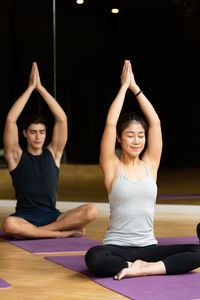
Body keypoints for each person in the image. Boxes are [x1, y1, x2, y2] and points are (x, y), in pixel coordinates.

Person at [85, 60, 200, 279]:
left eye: (140, 135)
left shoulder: (151, 164)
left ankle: (143, 268)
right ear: (119, 138)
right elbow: (110, 123)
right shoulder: (111, 166)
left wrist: (135, 88)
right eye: (130, 135)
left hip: (148, 247)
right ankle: (134, 264)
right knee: (95, 257)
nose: (136, 141)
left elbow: (155, 123)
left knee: (198, 252)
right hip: (116, 246)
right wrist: (122, 88)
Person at [2, 62, 98, 239]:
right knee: (9, 224)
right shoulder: (15, 155)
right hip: (25, 217)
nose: (38, 137)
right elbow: (10, 120)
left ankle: (42, 233)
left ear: (46, 134)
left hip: (53, 215)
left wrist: (41, 88)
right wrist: (30, 89)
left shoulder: (54, 153)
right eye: (32, 132)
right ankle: (60, 234)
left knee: (91, 210)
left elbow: (62, 119)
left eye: (42, 132)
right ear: (25, 134)